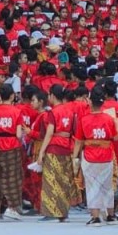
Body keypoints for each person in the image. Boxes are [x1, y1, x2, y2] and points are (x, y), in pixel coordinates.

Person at [74, 88, 118, 226]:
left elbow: (78, 141)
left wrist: (74, 156)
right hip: (106, 154)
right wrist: (117, 124)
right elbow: (115, 137)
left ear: (89, 101)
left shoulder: (84, 119)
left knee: (92, 186)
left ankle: (95, 217)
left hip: (90, 155)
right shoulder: (109, 119)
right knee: (107, 186)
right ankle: (111, 215)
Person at [35, 86, 80, 222]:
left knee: (51, 180)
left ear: (52, 96)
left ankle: (52, 212)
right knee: (64, 180)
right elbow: (75, 132)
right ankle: (63, 212)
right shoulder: (71, 112)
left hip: (54, 147)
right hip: (67, 147)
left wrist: (41, 152)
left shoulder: (53, 112)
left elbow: (49, 133)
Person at [0, 84, 26, 221]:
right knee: (13, 177)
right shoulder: (16, 111)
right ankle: (12, 208)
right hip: (12, 145)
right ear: (12, 96)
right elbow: (18, 134)